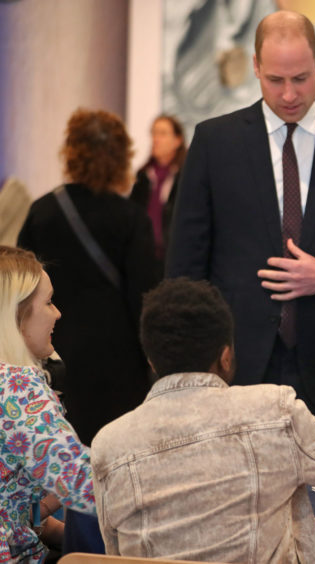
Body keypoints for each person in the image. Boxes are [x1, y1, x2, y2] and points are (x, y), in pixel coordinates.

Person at [166, 10, 315, 420]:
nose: (289, 94)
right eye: (275, 80)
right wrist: (189, 360)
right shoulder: (214, 142)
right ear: (256, 67)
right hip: (231, 361)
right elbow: (185, 266)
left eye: (301, 78)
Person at [90, 278, 315, 563]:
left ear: (152, 361)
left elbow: (114, 552)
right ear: (225, 355)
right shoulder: (275, 409)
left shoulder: (109, 444)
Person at [17, 108, 158, 446]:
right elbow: (145, 296)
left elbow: (21, 290)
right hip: (119, 361)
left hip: (56, 353)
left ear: (71, 150)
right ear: (121, 156)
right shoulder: (131, 219)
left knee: (65, 451)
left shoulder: (43, 211)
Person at [0, 246, 95, 563]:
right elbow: (84, 484)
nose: (57, 313)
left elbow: (10, 505)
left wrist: (45, 526)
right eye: (49, 302)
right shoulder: (19, 388)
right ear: (16, 314)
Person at [129, 114, 186, 278]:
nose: (156, 139)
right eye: (154, 133)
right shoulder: (143, 177)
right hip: (145, 258)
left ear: (177, 140)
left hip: (174, 258)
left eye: (162, 133)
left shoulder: (185, 176)